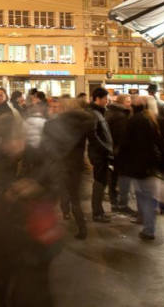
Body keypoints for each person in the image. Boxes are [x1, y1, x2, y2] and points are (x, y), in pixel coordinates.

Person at [43, 98, 94, 239]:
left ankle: (49, 228)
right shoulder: (83, 124)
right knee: (75, 198)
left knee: (52, 197)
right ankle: (82, 229)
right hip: (76, 166)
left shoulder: (51, 124)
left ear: (63, 109)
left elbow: (46, 147)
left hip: (57, 165)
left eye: (56, 107)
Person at [119, 95, 164, 241]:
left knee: (144, 196)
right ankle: (147, 225)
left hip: (138, 164)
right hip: (150, 163)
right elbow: (159, 140)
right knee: (147, 195)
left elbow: (126, 143)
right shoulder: (151, 119)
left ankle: (149, 229)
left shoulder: (134, 120)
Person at [86, 87, 114, 223]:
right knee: (99, 182)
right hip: (99, 154)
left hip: (102, 153)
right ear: (98, 99)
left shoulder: (99, 112)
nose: (107, 101)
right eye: (105, 98)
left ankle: (99, 211)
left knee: (102, 182)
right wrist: (105, 148)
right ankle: (97, 213)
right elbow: (93, 135)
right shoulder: (93, 113)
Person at [106, 93, 134, 215]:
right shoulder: (121, 116)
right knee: (120, 177)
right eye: (128, 101)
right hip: (119, 151)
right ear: (122, 102)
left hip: (113, 150)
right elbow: (121, 136)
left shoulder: (112, 112)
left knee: (114, 177)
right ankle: (120, 204)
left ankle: (115, 202)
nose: (130, 103)